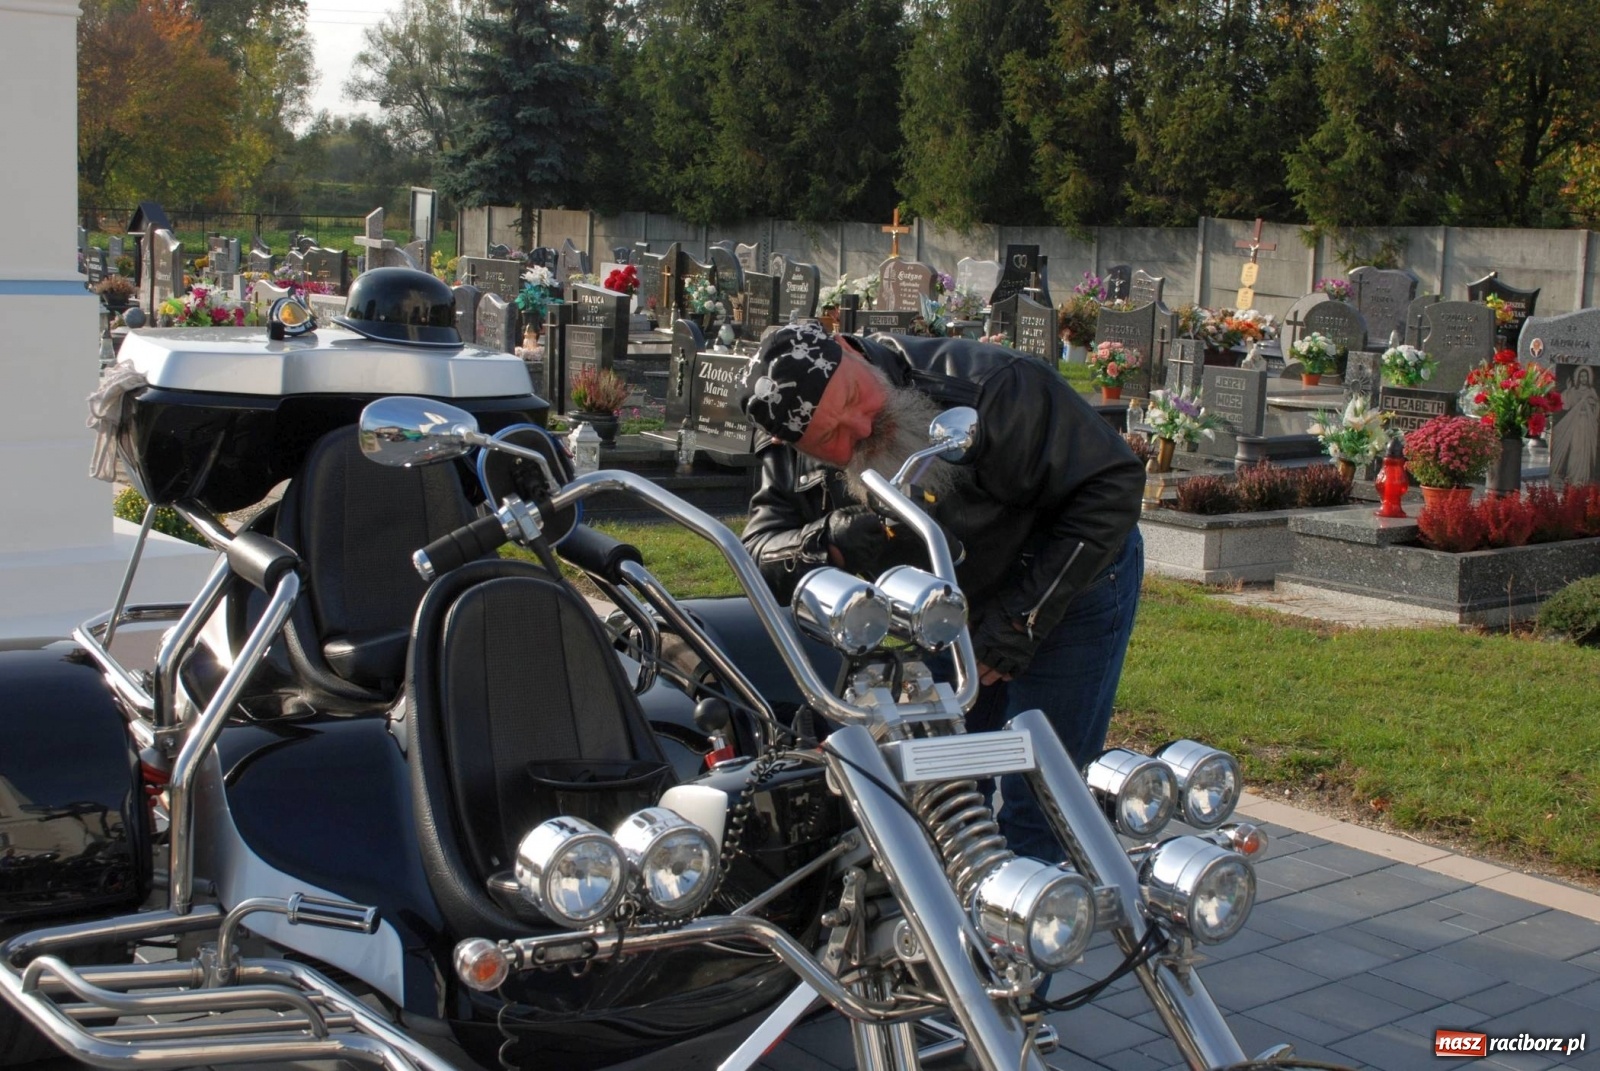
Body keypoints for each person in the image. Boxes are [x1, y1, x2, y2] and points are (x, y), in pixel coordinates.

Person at [737, 323, 1145, 863]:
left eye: (856, 397)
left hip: (1068, 585)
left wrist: (1023, 617)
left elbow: (1112, 484)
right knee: (945, 786)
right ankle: (954, 930)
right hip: (943, 609)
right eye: (830, 439)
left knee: (1044, 794)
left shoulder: (992, 387)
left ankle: (1036, 928)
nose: (861, 426)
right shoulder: (786, 436)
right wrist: (824, 541)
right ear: (796, 446)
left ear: (847, 348)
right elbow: (758, 549)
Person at [1549, 365, 1597, 487]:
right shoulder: (1574, 391)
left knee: (1584, 451)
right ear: (1578, 378)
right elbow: (1565, 405)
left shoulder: (1591, 392)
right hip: (1575, 424)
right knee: (1576, 449)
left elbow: (1597, 408)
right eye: (1581, 375)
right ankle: (1572, 477)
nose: (1583, 377)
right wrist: (1569, 390)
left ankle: (1583, 479)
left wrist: (1592, 405)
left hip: (1587, 424)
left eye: (1585, 375)